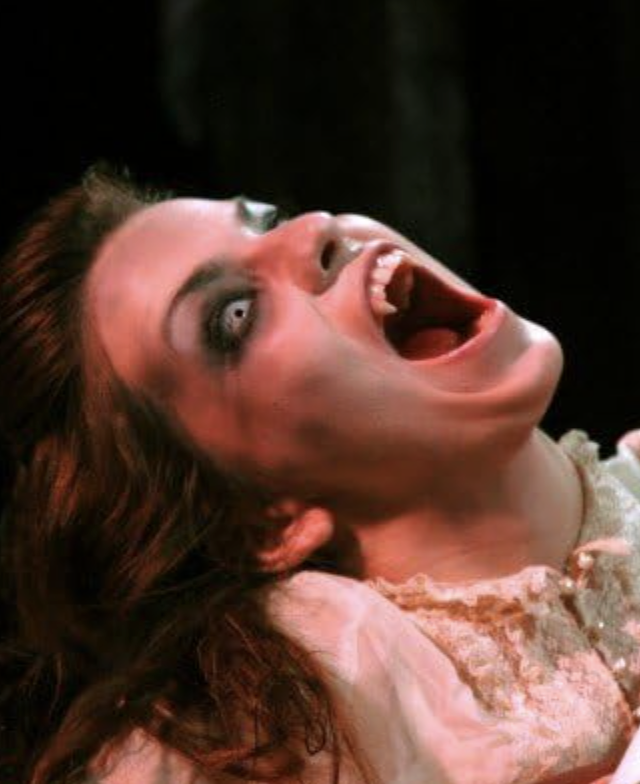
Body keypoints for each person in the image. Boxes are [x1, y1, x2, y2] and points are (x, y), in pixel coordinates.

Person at [1, 166, 640, 784]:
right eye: (235, 315)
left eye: (268, 221)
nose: (314, 230)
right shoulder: (297, 735)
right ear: (259, 521)